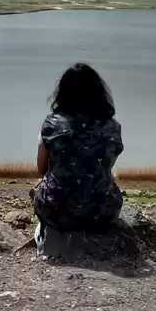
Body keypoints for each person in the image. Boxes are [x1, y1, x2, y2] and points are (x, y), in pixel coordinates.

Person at [32, 63, 124, 250]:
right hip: (103, 212)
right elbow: (108, 166)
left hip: (56, 212)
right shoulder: (112, 127)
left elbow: (41, 169)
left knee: (40, 188)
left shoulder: (52, 124)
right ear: (99, 93)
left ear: (63, 92)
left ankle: (48, 235)